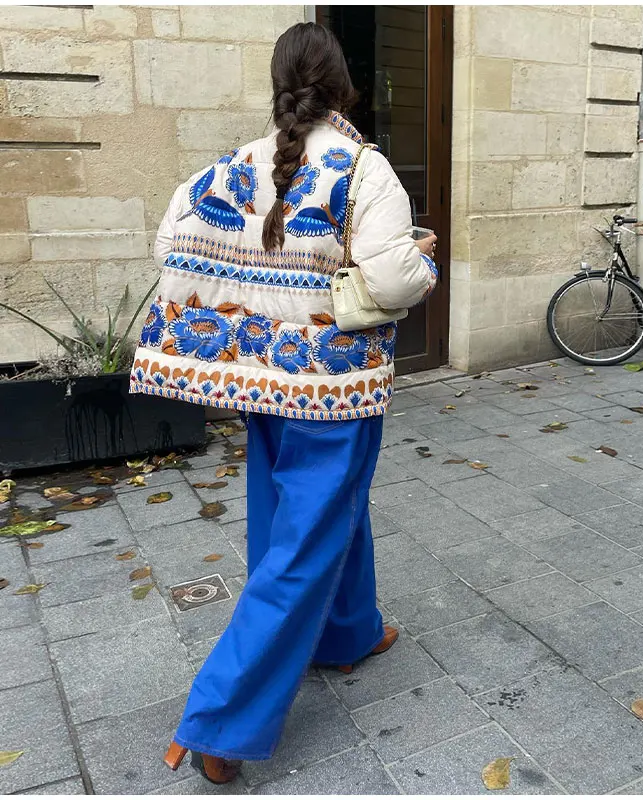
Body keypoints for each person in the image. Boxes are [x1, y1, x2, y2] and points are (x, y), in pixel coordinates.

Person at [129, 21, 437, 785]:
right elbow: (392, 282)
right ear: (343, 84)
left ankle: (349, 632)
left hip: (259, 382)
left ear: (280, 84)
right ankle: (222, 719)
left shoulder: (231, 167)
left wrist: (262, 286)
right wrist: (419, 261)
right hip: (335, 387)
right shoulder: (364, 169)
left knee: (301, 513)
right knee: (304, 540)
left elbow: (172, 250)